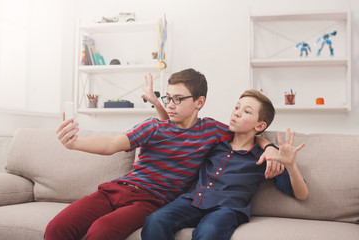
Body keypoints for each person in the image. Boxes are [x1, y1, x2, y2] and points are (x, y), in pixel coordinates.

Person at [44, 69, 280, 240]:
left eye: (178, 99)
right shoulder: (153, 127)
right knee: (57, 227)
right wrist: (75, 144)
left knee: (101, 231)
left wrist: (269, 147)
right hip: (116, 189)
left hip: (150, 200)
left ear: (200, 102)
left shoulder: (212, 131)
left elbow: (248, 133)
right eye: (168, 98)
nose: (171, 104)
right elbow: (112, 144)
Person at [141, 89, 308, 240]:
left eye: (246, 111)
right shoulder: (214, 141)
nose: (236, 113)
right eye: (236, 108)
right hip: (194, 200)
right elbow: (174, 132)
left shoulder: (265, 157)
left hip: (228, 209)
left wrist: (290, 165)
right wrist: (157, 104)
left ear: (260, 125)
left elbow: (302, 194)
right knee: (155, 220)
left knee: (209, 232)